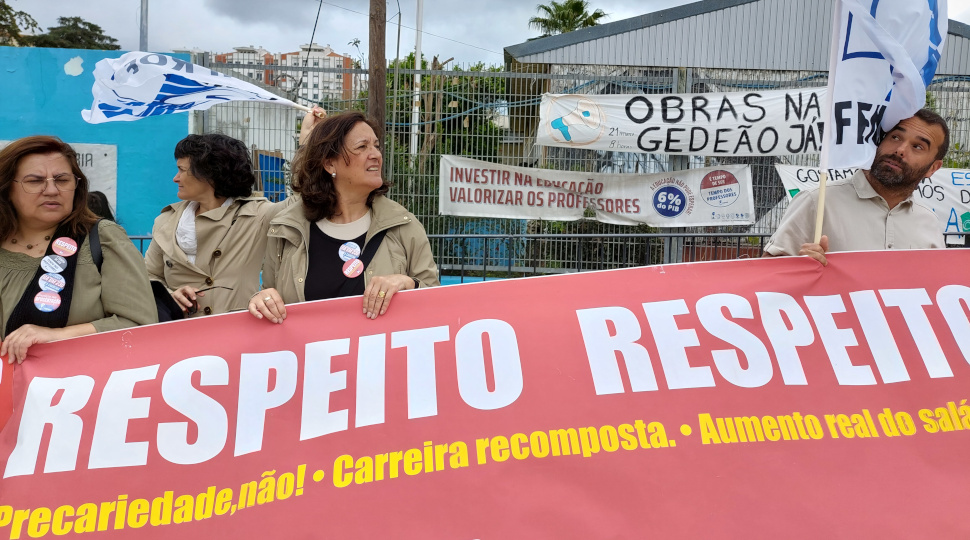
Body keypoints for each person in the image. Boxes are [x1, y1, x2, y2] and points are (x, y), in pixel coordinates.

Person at [249, 108, 439, 323]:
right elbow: (269, 295)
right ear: (330, 164)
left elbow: (437, 300)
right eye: (362, 147)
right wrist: (261, 299)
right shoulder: (287, 229)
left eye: (376, 146)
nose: (376, 154)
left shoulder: (404, 225)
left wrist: (408, 283)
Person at [0, 136, 157, 363]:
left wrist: (57, 335)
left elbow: (139, 325)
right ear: (7, 189)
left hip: (76, 389)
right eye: (35, 181)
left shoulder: (102, 238)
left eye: (62, 180)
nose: (52, 190)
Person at [764, 109, 949, 266]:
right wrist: (797, 268)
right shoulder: (818, 201)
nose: (900, 149)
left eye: (917, 146)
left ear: (933, 168)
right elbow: (764, 275)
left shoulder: (929, 223)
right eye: (895, 137)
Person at [145, 133, 292, 317]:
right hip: (178, 334)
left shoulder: (256, 214)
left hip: (237, 333)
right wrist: (170, 296)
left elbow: (302, 202)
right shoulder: (166, 221)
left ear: (209, 173)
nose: (176, 178)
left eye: (182, 170)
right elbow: (149, 277)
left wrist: (308, 141)